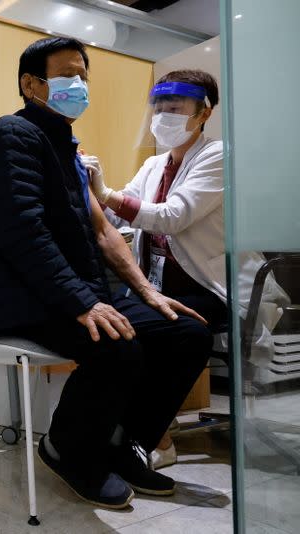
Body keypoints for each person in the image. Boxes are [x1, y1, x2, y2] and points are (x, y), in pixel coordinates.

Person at [0, 37, 212, 510]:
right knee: (119, 346)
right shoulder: (13, 135)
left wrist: (148, 293)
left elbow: (103, 230)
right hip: (14, 297)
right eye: (68, 75)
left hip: (57, 292)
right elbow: (24, 233)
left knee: (185, 331)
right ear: (31, 84)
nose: (80, 85)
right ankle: (67, 447)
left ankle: (120, 443)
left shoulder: (67, 149)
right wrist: (83, 301)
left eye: (84, 77)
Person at [80, 70, 224, 469]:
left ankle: (149, 436)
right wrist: (96, 187)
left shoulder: (219, 155)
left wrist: (108, 195)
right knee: (127, 330)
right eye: (158, 107)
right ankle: (132, 432)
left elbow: (172, 217)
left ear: (204, 113)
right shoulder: (155, 163)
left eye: (175, 108)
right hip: (156, 284)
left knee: (174, 332)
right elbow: (127, 209)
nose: (163, 116)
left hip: (205, 288)